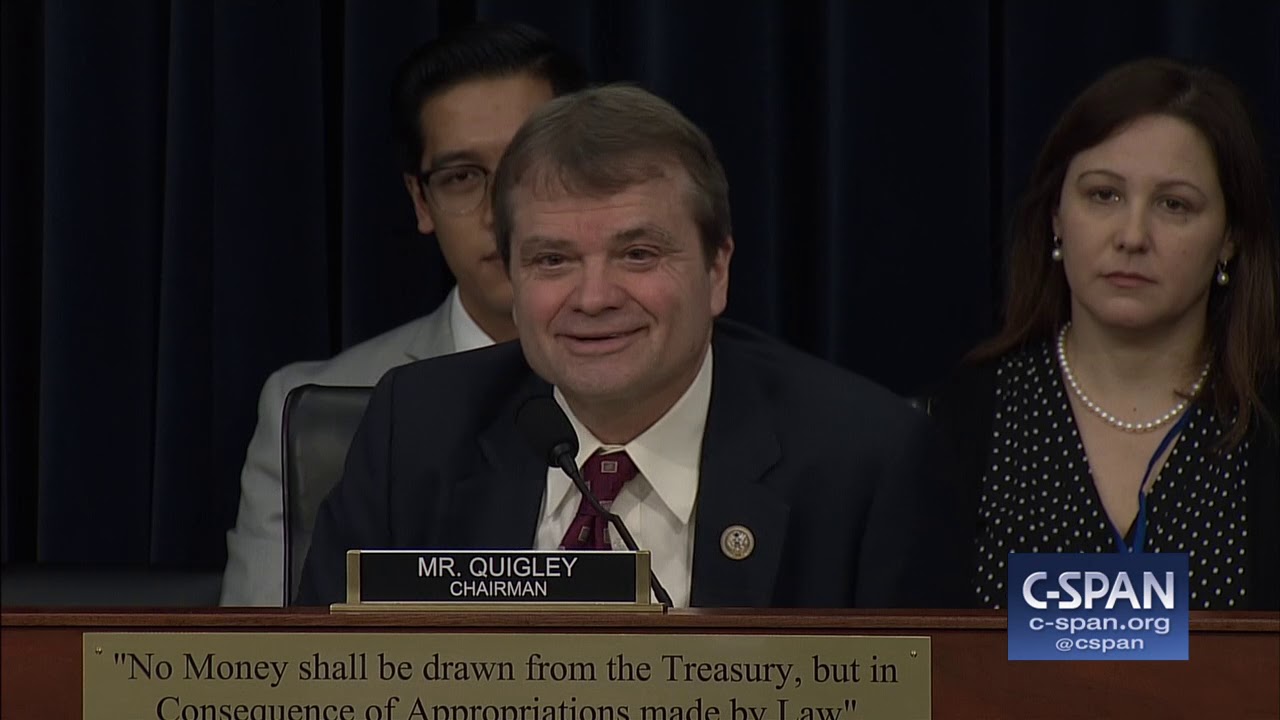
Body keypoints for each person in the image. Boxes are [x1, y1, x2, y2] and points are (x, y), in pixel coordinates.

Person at [297, 85, 968, 609]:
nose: (593, 298)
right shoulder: (416, 429)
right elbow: (323, 675)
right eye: (553, 260)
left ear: (717, 271)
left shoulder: (866, 463)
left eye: (638, 254)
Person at [220, 23, 587, 606]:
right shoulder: (320, 407)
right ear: (422, 201)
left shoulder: (677, 381)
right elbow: (266, 652)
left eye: (528, 166)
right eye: (462, 177)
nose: (500, 213)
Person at [927, 58, 1280, 610]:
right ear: (1057, 218)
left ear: (1230, 238)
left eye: (1174, 205)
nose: (1132, 236)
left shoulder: (1266, 419)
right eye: (1103, 196)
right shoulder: (968, 416)